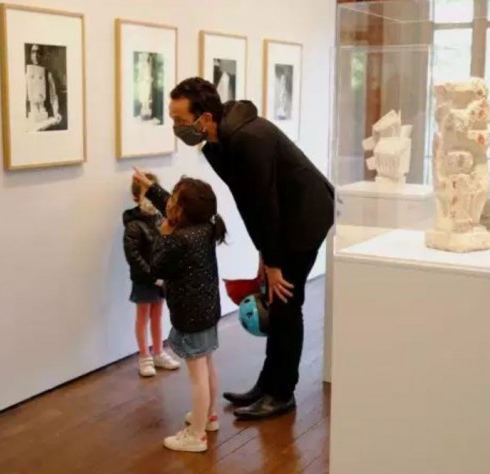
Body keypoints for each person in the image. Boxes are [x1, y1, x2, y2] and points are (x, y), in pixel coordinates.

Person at [136, 76, 334, 421]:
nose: (176, 127)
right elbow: (250, 202)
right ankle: (267, 385)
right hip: (284, 217)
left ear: (205, 118)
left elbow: (264, 205)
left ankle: (281, 393)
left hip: (305, 217)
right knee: (278, 299)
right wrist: (265, 252)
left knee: (286, 303)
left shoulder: (248, 139)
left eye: (180, 120)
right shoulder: (216, 142)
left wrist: (272, 262)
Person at [143, 175, 226, 453]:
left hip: (190, 316)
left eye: (175, 199)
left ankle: (196, 434)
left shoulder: (178, 239)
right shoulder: (204, 227)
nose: (170, 203)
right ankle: (209, 416)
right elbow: (173, 205)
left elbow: (156, 267)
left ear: (183, 210)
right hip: (208, 310)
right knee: (207, 366)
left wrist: (163, 235)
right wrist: (151, 188)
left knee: (197, 376)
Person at [123, 173, 181, 377]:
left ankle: (158, 352)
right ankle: (144, 356)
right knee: (143, 316)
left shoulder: (161, 220)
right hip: (144, 280)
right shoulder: (133, 225)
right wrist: (151, 276)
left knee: (157, 315)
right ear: (136, 197)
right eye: (144, 193)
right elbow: (134, 257)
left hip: (161, 279)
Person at [25, 44, 62, 132]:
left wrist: (56, 112)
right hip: (32, 119)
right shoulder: (26, 74)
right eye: (33, 52)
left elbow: (53, 96)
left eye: (38, 52)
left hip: (45, 118)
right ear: (30, 55)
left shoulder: (48, 74)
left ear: (42, 55)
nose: (36, 55)